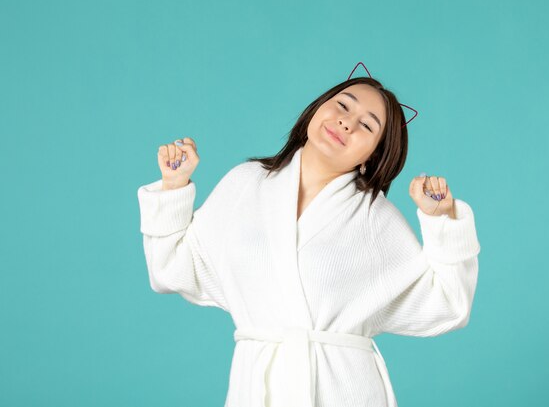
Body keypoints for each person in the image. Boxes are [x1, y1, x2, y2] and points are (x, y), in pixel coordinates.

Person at [137, 75, 481, 407]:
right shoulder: (244, 184)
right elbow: (172, 269)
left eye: (367, 125)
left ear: (374, 154)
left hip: (343, 391)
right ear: (316, 109)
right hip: (257, 388)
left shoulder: (376, 219)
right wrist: (174, 186)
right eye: (343, 105)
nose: (347, 122)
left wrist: (441, 219)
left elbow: (449, 304)